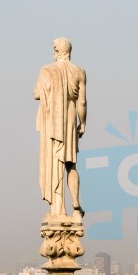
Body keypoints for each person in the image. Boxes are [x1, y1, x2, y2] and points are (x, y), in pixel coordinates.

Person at [34, 37, 87, 217]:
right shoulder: (79, 71)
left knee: (54, 161)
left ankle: (57, 207)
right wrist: (83, 123)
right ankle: (75, 202)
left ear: (56, 52)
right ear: (69, 52)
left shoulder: (47, 70)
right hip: (71, 116)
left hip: (53, 120)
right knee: (71, 163)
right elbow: (82, 102)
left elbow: (36, 94)